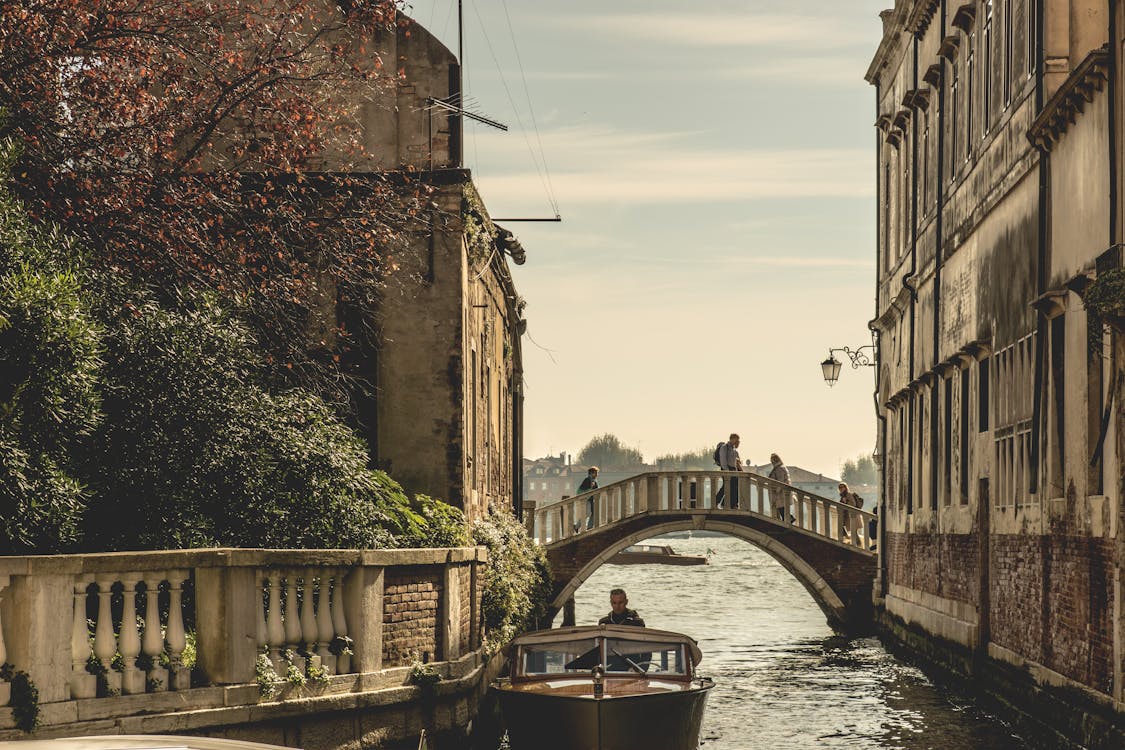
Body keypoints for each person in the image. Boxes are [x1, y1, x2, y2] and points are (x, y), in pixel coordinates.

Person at [715, 433, 743, 509]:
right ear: (732, 439)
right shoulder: (724, 447)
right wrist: (727, 471)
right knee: (726, 487)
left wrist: (738, 471)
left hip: (734, 470)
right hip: (727, 470)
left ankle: (731, 504)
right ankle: (716, 502)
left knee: (734, 488)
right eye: (737, 440)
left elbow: (736, 462)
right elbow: (723, 461)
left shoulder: (734, 450)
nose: (737, 441)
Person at [768, 453, 792, 521]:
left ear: (775, 460)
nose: (771, 463)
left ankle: (790, 518)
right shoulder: (779, 467)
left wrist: (777, 491)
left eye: (772, 461)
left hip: (780, 493)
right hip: (781, 493)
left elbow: (780, 481)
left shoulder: (779, 468)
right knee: (781, 509)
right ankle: (789, 518)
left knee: (781, 508)